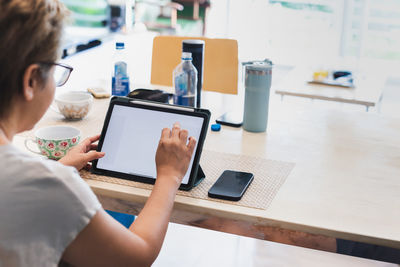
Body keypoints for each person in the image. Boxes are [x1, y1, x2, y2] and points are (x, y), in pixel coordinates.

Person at [0, 0, 196, 266]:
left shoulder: (40, 181)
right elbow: (136, 257)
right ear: (32, 81)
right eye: (57, 70)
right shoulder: (49, 187)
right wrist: (170, 176)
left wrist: (61, 167)